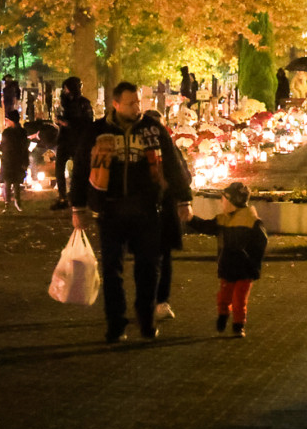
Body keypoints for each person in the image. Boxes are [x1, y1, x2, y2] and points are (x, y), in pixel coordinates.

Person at [71, 82, 193, 343]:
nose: (136, 107)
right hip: (110, 210)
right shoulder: (97, 131)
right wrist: (78, 206)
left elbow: (171, 161)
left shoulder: (152, 128)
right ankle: (116, 323)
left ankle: (146, 320)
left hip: (146, 210)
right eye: (130, 103)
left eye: (138, 102)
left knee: (148, 268)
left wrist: (184, 199)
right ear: (115, 104)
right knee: (112, 270)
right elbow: (82, 168)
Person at [187, 182, 268, 338]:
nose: (221, 201)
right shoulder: (225, 219)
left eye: (223, 198)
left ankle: (238, 325)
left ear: (232, 200)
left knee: (239, 299)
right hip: (229, 267)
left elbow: (260, 244)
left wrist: (252, 264)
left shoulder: (250, 221)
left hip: (244, 270)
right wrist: (191, 219)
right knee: (225, 296)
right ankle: (223, 315)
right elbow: (206, 226)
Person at [145, 109, 192, 322]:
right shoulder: (138, 153)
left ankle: (160, 300)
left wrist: (180, 196)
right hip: (147, 211)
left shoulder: (171, 152)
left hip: (163, 210)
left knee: (161, 258)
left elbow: (184, 176)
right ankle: (156, 301)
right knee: (156, 259)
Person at [51, 77, 94, 211]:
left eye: (67, 88)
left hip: (78, 141)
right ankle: (62, 197)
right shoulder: (65, 102)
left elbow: (87, 122)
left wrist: (67, 123)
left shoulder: (83, 103)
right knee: (59, 169)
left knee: (78, 170)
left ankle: (79, 195)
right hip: (64, 140)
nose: (65, 90)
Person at [0, 110, 29, 211]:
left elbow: (3, 147)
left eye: (7, 120)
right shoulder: (22, 132)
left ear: (11, 121)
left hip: (10, 160)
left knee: (10, 182)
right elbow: (25, 148)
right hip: (15, 160)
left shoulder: (7, 133)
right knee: (13, 182)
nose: (6, 122)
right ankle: (14, 203)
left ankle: (10, 203)